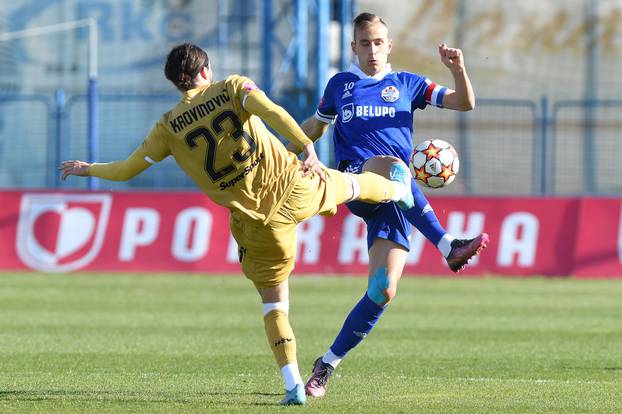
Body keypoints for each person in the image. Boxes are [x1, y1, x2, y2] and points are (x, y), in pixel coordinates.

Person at [60, 43, 416, 406]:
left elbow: (127, 169)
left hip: (257, 223)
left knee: (274, 303)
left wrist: (89, 169)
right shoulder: (232, 87)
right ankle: (396, 189)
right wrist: (304, 144)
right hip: (294, 186)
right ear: (205, 71)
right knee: (349, 184)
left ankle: (293, 383)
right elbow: (273, 112)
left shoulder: (167, 128)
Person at [289, 13, 490, 397]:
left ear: (389, 45)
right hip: (357, 179)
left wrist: (459, 69)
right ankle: (448, 246)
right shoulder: (340, 85)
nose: (372, 50)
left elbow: (464, 103)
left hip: (398, 200)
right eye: (364, 43)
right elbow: (315, 126)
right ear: (353, 48)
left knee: (383, 289)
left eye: (378, 42)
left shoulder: (407, 85)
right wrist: (291, 148)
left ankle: (326, 364)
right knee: (397, 168)